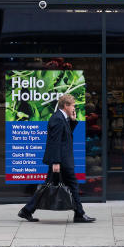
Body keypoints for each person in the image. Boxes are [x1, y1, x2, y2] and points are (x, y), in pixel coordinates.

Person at [18, 93, 95, 223]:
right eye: (73, 106)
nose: (74, 108)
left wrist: (73, 120)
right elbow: (55, 142)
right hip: (61, 160)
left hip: (61, 159)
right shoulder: (57, 119)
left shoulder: (62, 117)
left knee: (46, 186)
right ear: (65, 105)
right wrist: (55, 162)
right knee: (73, 185)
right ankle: (79, 214)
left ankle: (26, 210)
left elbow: (65, 135)